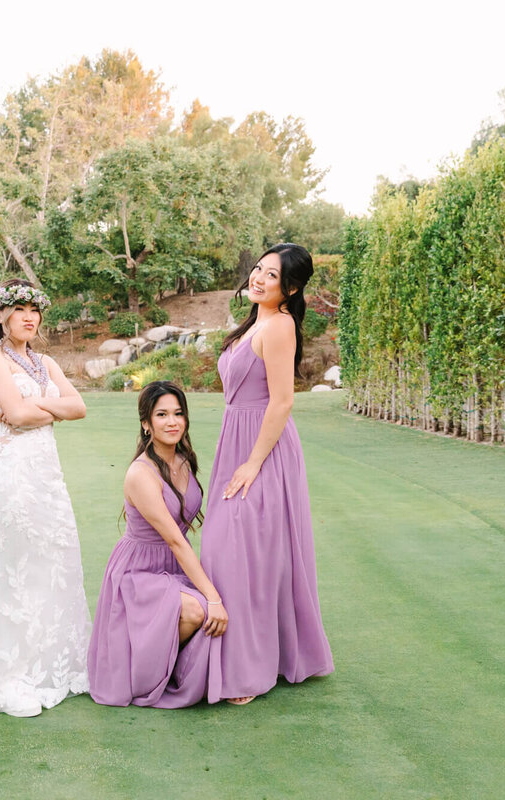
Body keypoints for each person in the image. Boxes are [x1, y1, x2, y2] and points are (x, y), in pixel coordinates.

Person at [202, 243, 334, 705]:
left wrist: (254, 462)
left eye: (271, 275)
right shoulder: (252, 323)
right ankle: (246, 655)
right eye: (258, 270)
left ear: (290, 288)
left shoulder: (279, 327)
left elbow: (282, 401)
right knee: (230, 548)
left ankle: (250, 670)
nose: (258, 278)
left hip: (264, 448)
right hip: (234, 439)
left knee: (244, 552)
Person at [0, 279, 91, 717]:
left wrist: (44, 409)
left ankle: (54, 662)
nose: (29, 316)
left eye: (34, 309)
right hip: (12, 472)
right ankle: (10, 670)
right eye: (19, 309)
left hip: (47, 475)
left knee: (54, 558)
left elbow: (80, 408)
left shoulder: (46, 361)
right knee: (15, 564)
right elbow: (14, 414)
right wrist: (53, 408)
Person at [88, 381, 228, 708]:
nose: (172, 422)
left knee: (218, 600)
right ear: (146, 423)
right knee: (199, 610)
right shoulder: (140, 473)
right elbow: (177, 540)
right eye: (162, 414)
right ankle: (141, 672)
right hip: (138, 572)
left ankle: (203, 671)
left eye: (178, 413)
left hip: (173, 566)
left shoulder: (183, 459)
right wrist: (213, 596)